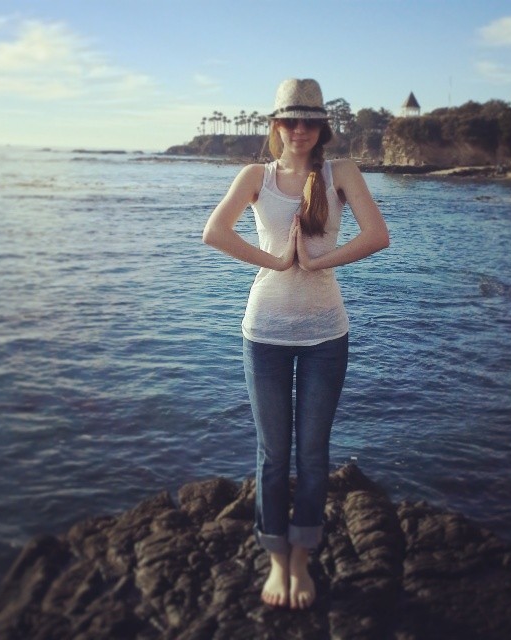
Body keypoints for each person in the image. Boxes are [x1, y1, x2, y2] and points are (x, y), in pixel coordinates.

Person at [202, 78, 389, 610]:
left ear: (322, 127)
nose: (300, 130)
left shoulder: (340, 173)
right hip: (264, 333)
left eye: (309, 121)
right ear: (276, 125)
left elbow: (377, 235)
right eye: (290, 120)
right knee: (272, 454)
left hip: (326, 335)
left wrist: (317, 261)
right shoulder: (256, 176)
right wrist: (278, 262)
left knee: (311, 453)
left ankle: (302, 556)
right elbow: (215, 232)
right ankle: (276, 559)